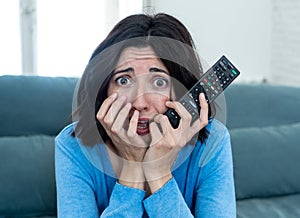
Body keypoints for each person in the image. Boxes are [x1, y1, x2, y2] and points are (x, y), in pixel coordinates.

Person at [55, 13, 236, 217]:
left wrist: (158, 174)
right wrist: (132, 170)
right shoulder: (72, 146)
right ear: (103, 88)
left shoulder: (213, 141)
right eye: (124, 80)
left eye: (159, 82)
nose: (140, 103)